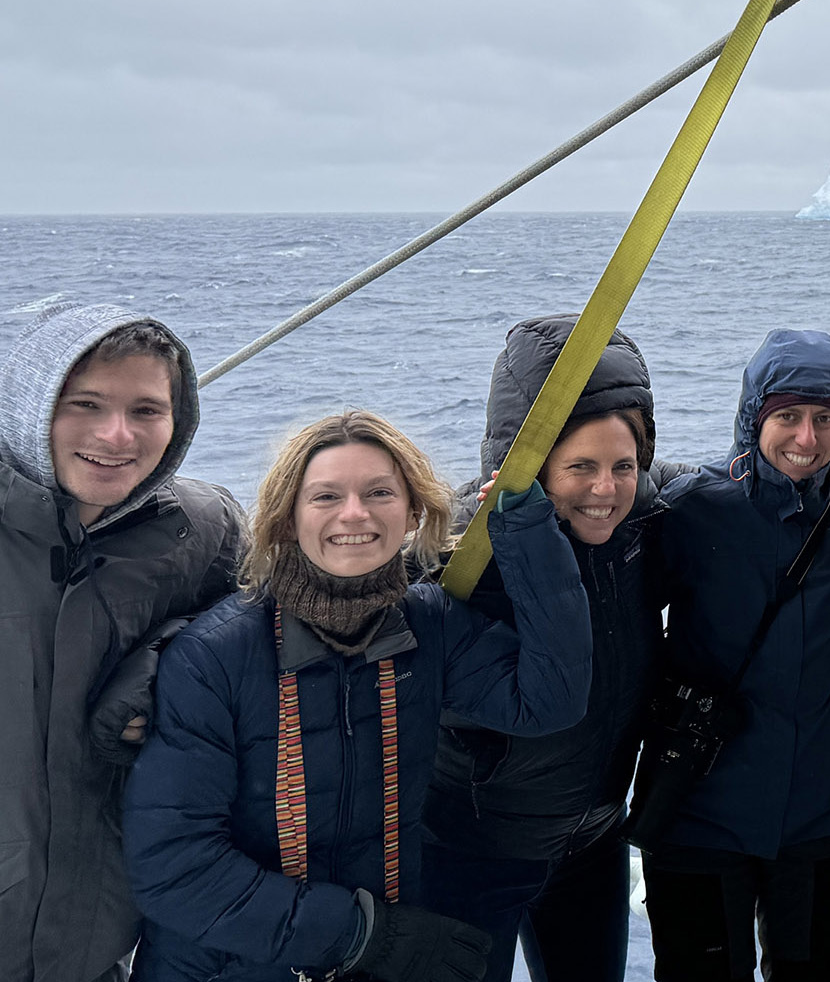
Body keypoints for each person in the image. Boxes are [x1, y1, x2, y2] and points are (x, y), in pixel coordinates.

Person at [120, 410, 592, 982]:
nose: (355, 513)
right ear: (287, 518)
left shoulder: (429, 624)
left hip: (366, 964)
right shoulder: (214, 657)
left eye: (379, 492)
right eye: (325, 496)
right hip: (225, 966)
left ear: (414, 511)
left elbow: (548, 700)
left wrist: (526, 533)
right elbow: (175, 871)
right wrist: (366, 936)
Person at [421, 315, 681, 982]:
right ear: (531, 465)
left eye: (623, 465)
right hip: (472, 851)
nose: (605, 489)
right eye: (581, 468)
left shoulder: (642, 519)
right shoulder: (455, 554)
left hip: (594, 842)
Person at [0, 304, 246, 982]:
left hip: (97, 942)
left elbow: (282, 618)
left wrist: (165, 657)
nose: (116, 436)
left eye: (146, 410)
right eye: (84, 403)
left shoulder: (201, 530)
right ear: (29, 399)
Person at [636, 328, 830, 982]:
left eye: (825, 419)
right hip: (699, 813)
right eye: (788, 417)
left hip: (815, 819)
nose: (806, 438)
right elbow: (612, 607)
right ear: (754, 417)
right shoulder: (693, 508)